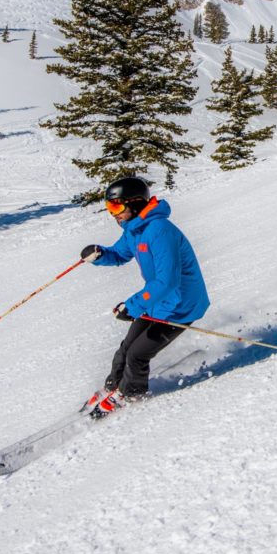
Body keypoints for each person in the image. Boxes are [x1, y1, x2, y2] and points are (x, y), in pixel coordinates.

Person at [78, 175, 209, 415]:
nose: (112, 213)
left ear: (135, 203)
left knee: (137, 355)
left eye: (116, 206)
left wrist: (133, 305)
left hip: (181, 306)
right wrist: (100, 255)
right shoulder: (134, 229)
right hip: (159, 302)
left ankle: (131, 394)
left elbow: (167, 282)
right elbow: (119, 254)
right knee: (125, 349)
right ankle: (113, 386)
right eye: (109, 207)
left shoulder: (160, 231)